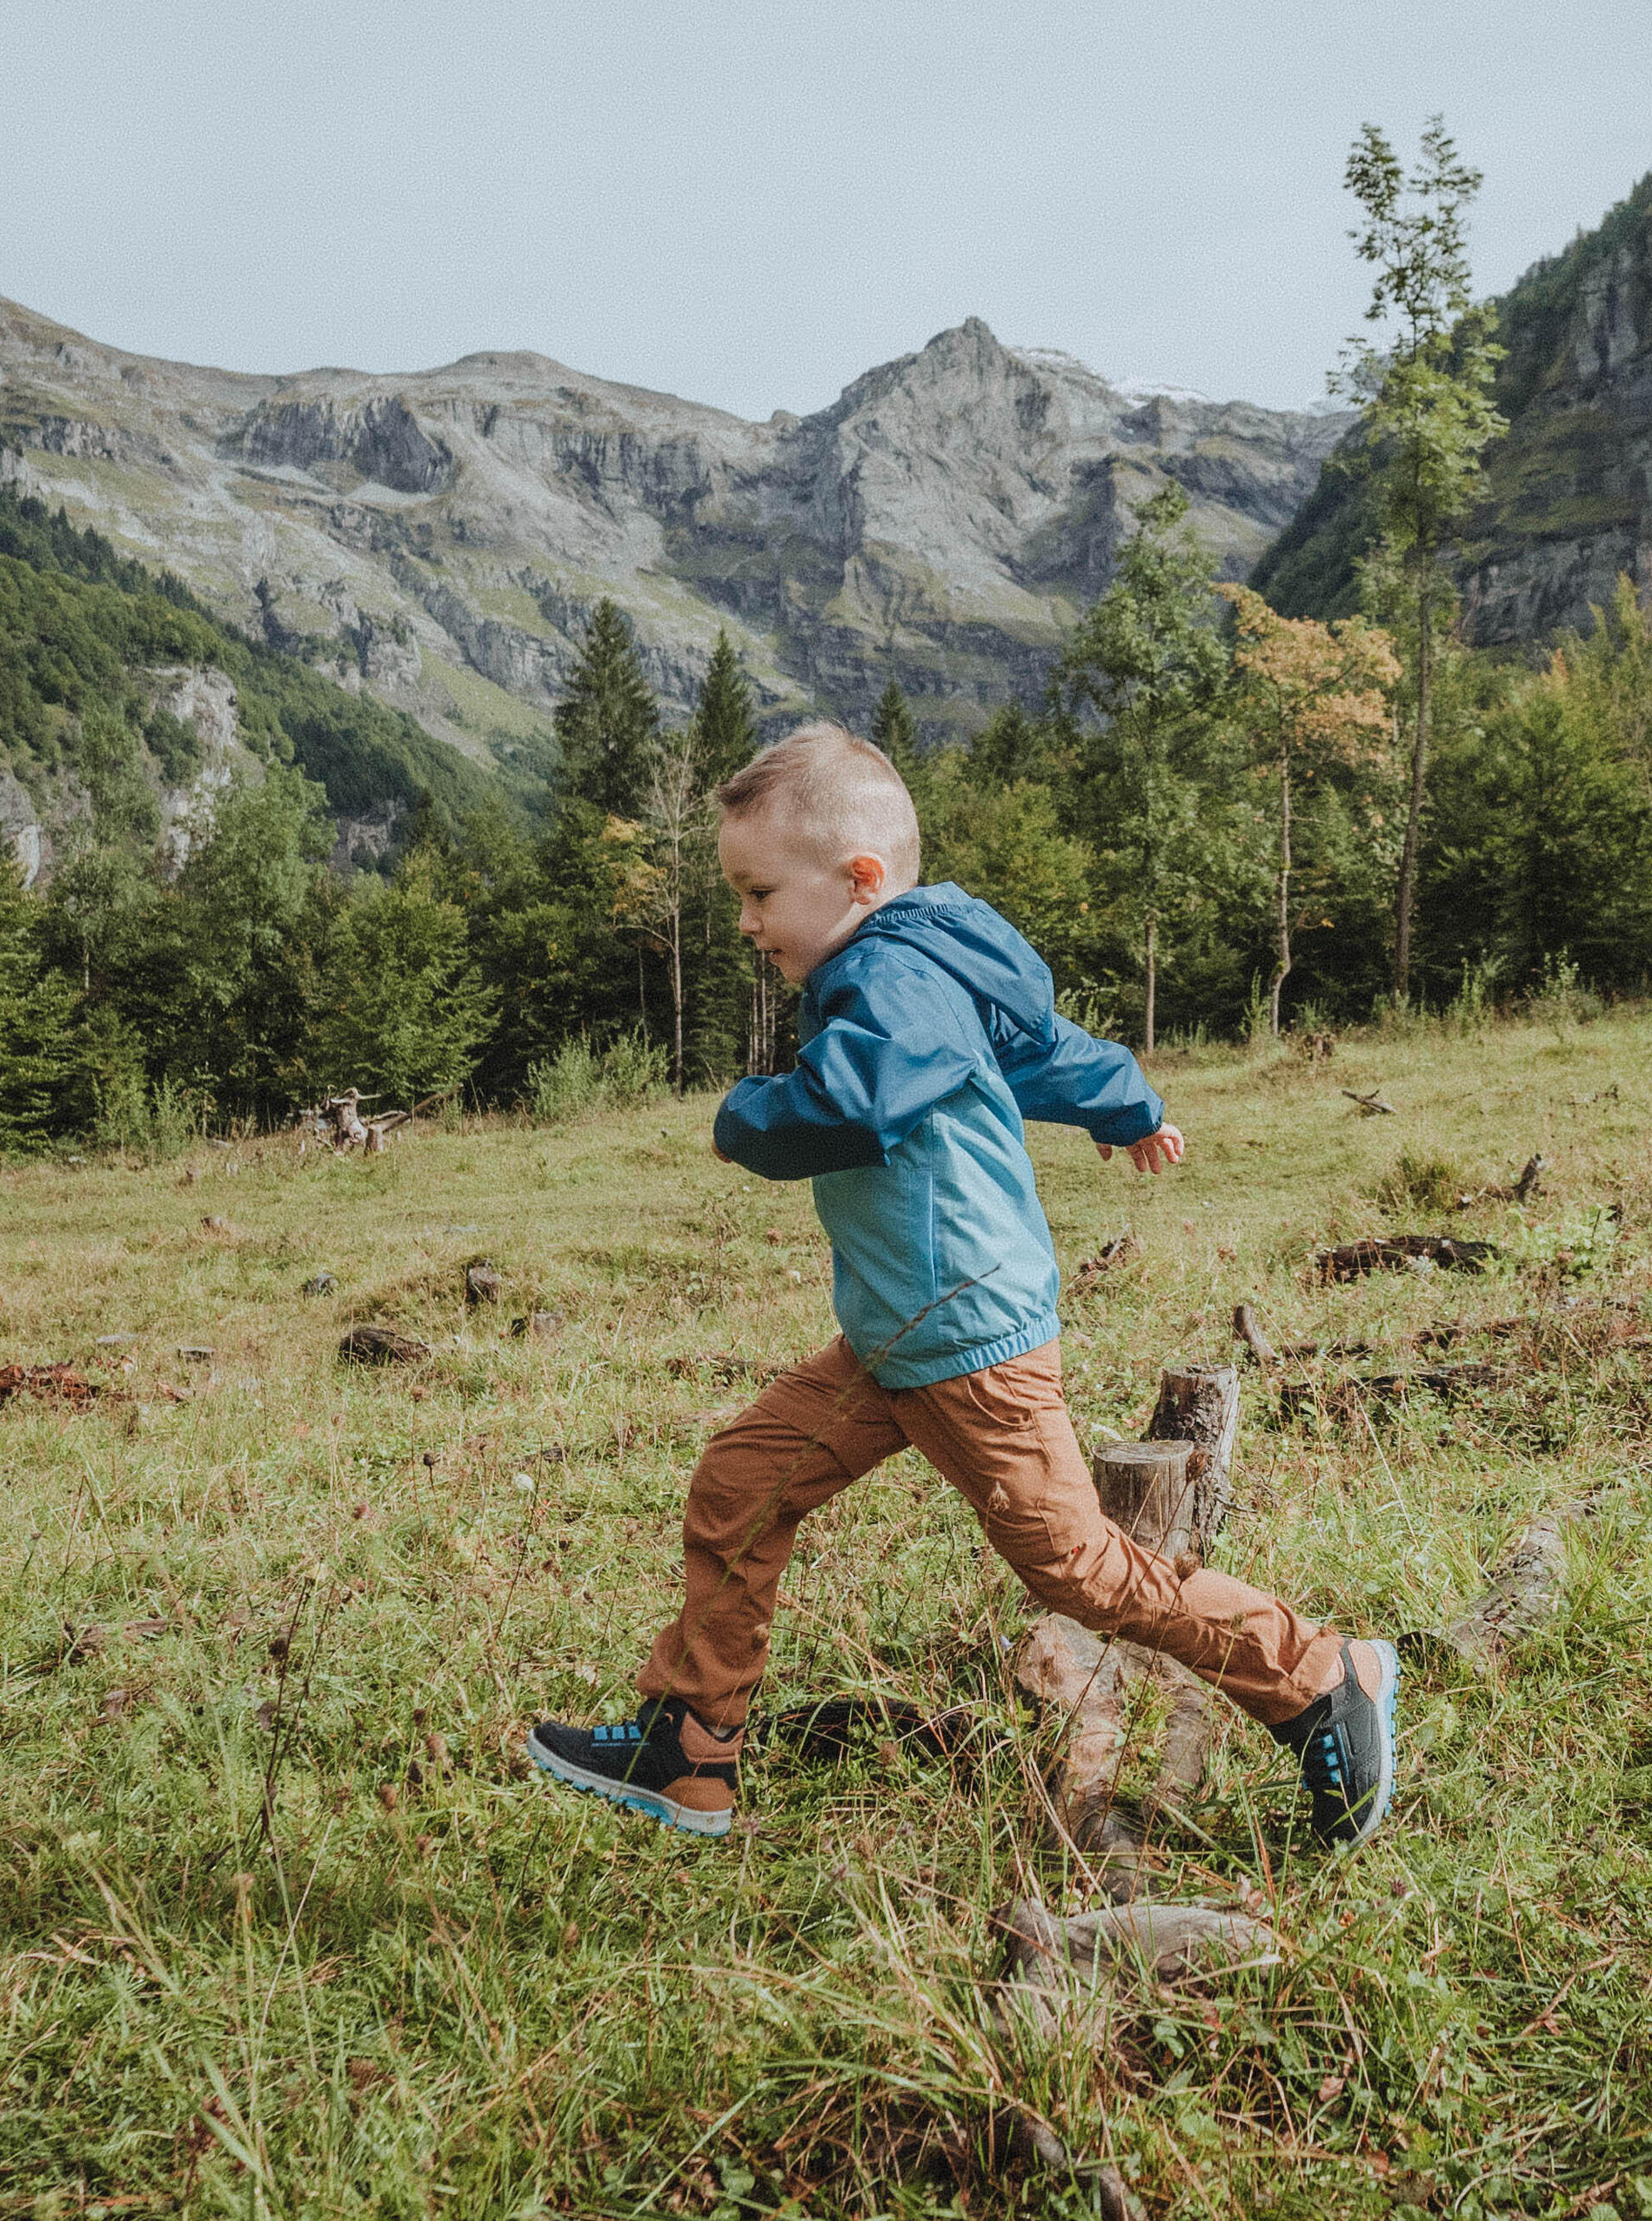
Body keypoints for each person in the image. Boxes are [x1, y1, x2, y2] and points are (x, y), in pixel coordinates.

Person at [527, 720, 1397, 1849]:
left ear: (859, 880)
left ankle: (1324, 1677)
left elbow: (848, 1105)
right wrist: (1126, 1101)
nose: (745, 922)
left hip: (967, 1345)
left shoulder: (887, 980)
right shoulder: (932, 963)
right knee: (741, 1485)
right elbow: (1039, 1051)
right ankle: (689, 1747)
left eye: (757, 893)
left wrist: (746, 1115)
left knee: (1082, 1567)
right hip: (898, 1341)